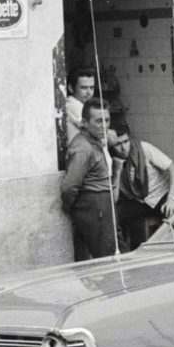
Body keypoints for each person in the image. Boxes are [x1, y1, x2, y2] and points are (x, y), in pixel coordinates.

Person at [107, 123, 174, 249]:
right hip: (137, 201)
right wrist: (117, 171)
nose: (123, 148)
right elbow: (114, 199)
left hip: (159, 196)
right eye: (118, 144)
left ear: (130, 138)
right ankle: (123, 252)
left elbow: (173, 169)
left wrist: (171, 198)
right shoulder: (110, 160)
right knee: (113, 213)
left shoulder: (144, 148)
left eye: (126, 142)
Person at [61, 97, 116, 260]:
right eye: (98, 121)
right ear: (85, 123)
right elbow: (69, 186)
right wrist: (70, 206)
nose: (104, 126)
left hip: (101, 205)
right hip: (94, 206)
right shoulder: (83, 148)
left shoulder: (94, 142)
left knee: (106, 252)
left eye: (107, 120)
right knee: (106, 256)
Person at [66, 67, 97, 143]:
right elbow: (96, 128)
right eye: (84, 88)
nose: (89, 93)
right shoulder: (72, 104)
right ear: (71, 88)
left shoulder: (83, 105)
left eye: (92, 88)